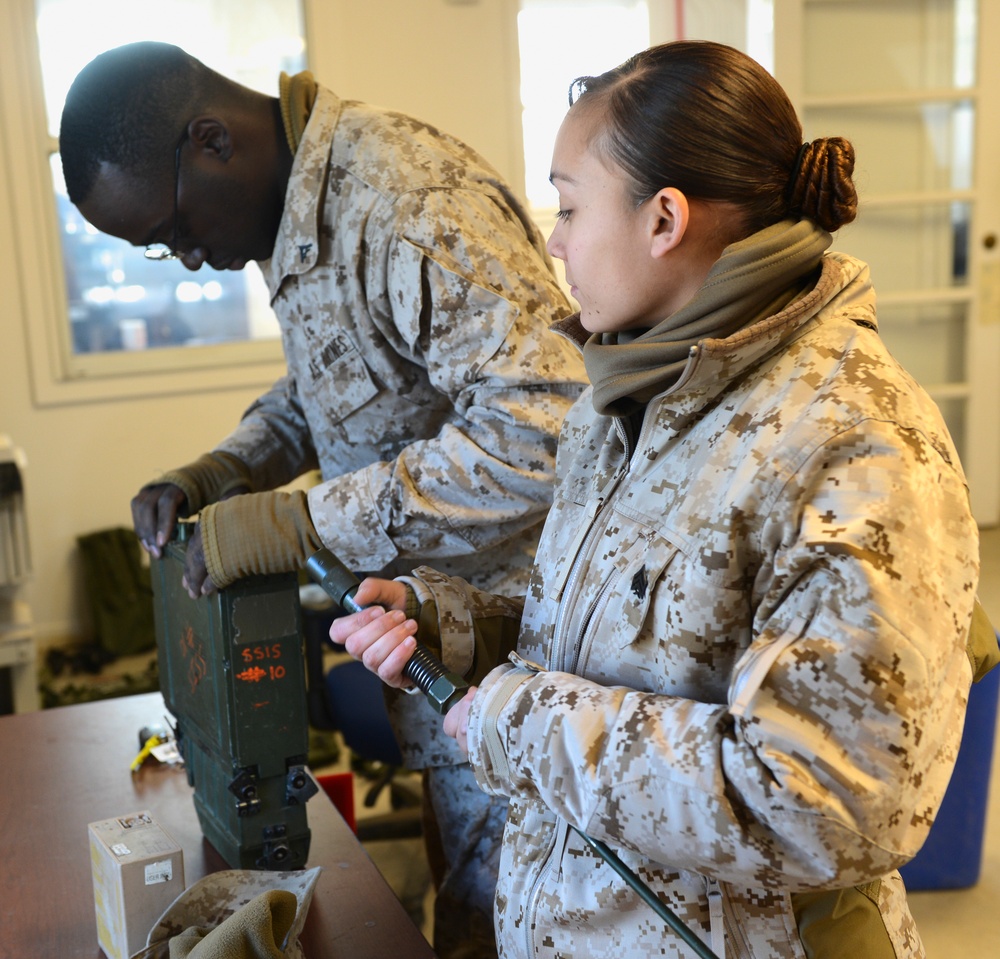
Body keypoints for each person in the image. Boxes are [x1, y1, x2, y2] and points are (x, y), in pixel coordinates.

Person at [329, 40, 990, 959]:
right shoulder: (635, 388)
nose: (553, 241)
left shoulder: (856, 441)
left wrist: (518, 719)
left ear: (664, 219)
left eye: (567, 206)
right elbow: (658, 633)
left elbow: (827, 804)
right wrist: (466, 632)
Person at [59, 42, 587, 959]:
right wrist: (225, 469)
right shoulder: (304, 214)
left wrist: (304, 521)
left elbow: (547, 428)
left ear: (212, 140)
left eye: (171, 230)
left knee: (502, 932)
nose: (188, 260)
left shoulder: (404, 202)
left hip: (523, 651)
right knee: (466, 910)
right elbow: (334, 387)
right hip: (436, 647)